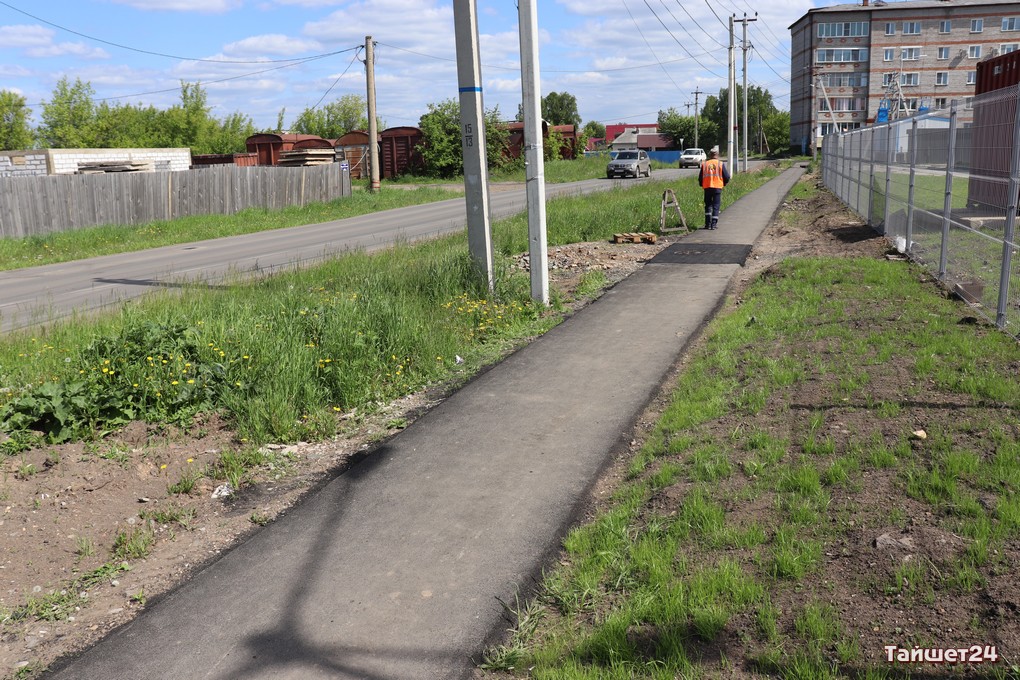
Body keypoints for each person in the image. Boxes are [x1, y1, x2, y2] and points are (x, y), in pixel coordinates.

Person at [699, 147, 730, 230]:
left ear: (710, 155)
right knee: (716, 206)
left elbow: (700, 177)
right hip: (717, 187)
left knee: (708, 205)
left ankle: (707, 224)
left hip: (707, 187)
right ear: (717, 155)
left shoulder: (705, 164)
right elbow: (727, 176)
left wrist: (702, 184)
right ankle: (713, 225)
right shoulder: (720, 164)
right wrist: (724, 183)